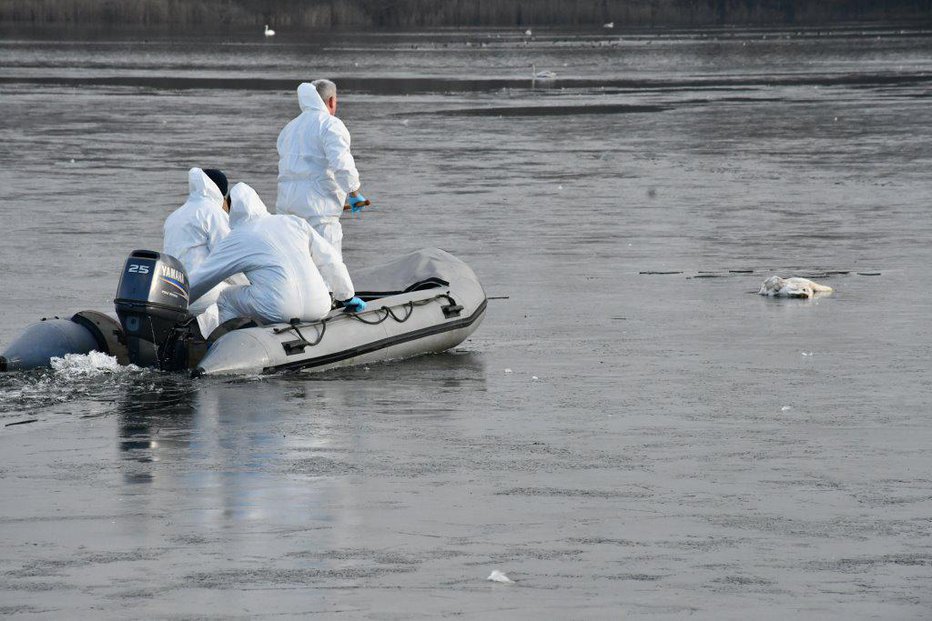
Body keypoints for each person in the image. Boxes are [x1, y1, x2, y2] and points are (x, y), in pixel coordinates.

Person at [188, 182, 366, 327]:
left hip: (278, 309)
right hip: (320, 305)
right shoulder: (293, 222)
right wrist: (347, 296)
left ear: (232, 209)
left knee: (225, 297)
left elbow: (205, 277)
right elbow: (330, 260)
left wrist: (179, 302)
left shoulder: (237, 238)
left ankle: (231, 344)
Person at [276, 80, 368, 261]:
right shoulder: (330, 124)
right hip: (319, 209)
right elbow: (341, 163)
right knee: (327, 267)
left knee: (296, 264)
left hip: (287, 207)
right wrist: (353, 192)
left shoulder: (289, 128)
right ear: (332, 100)